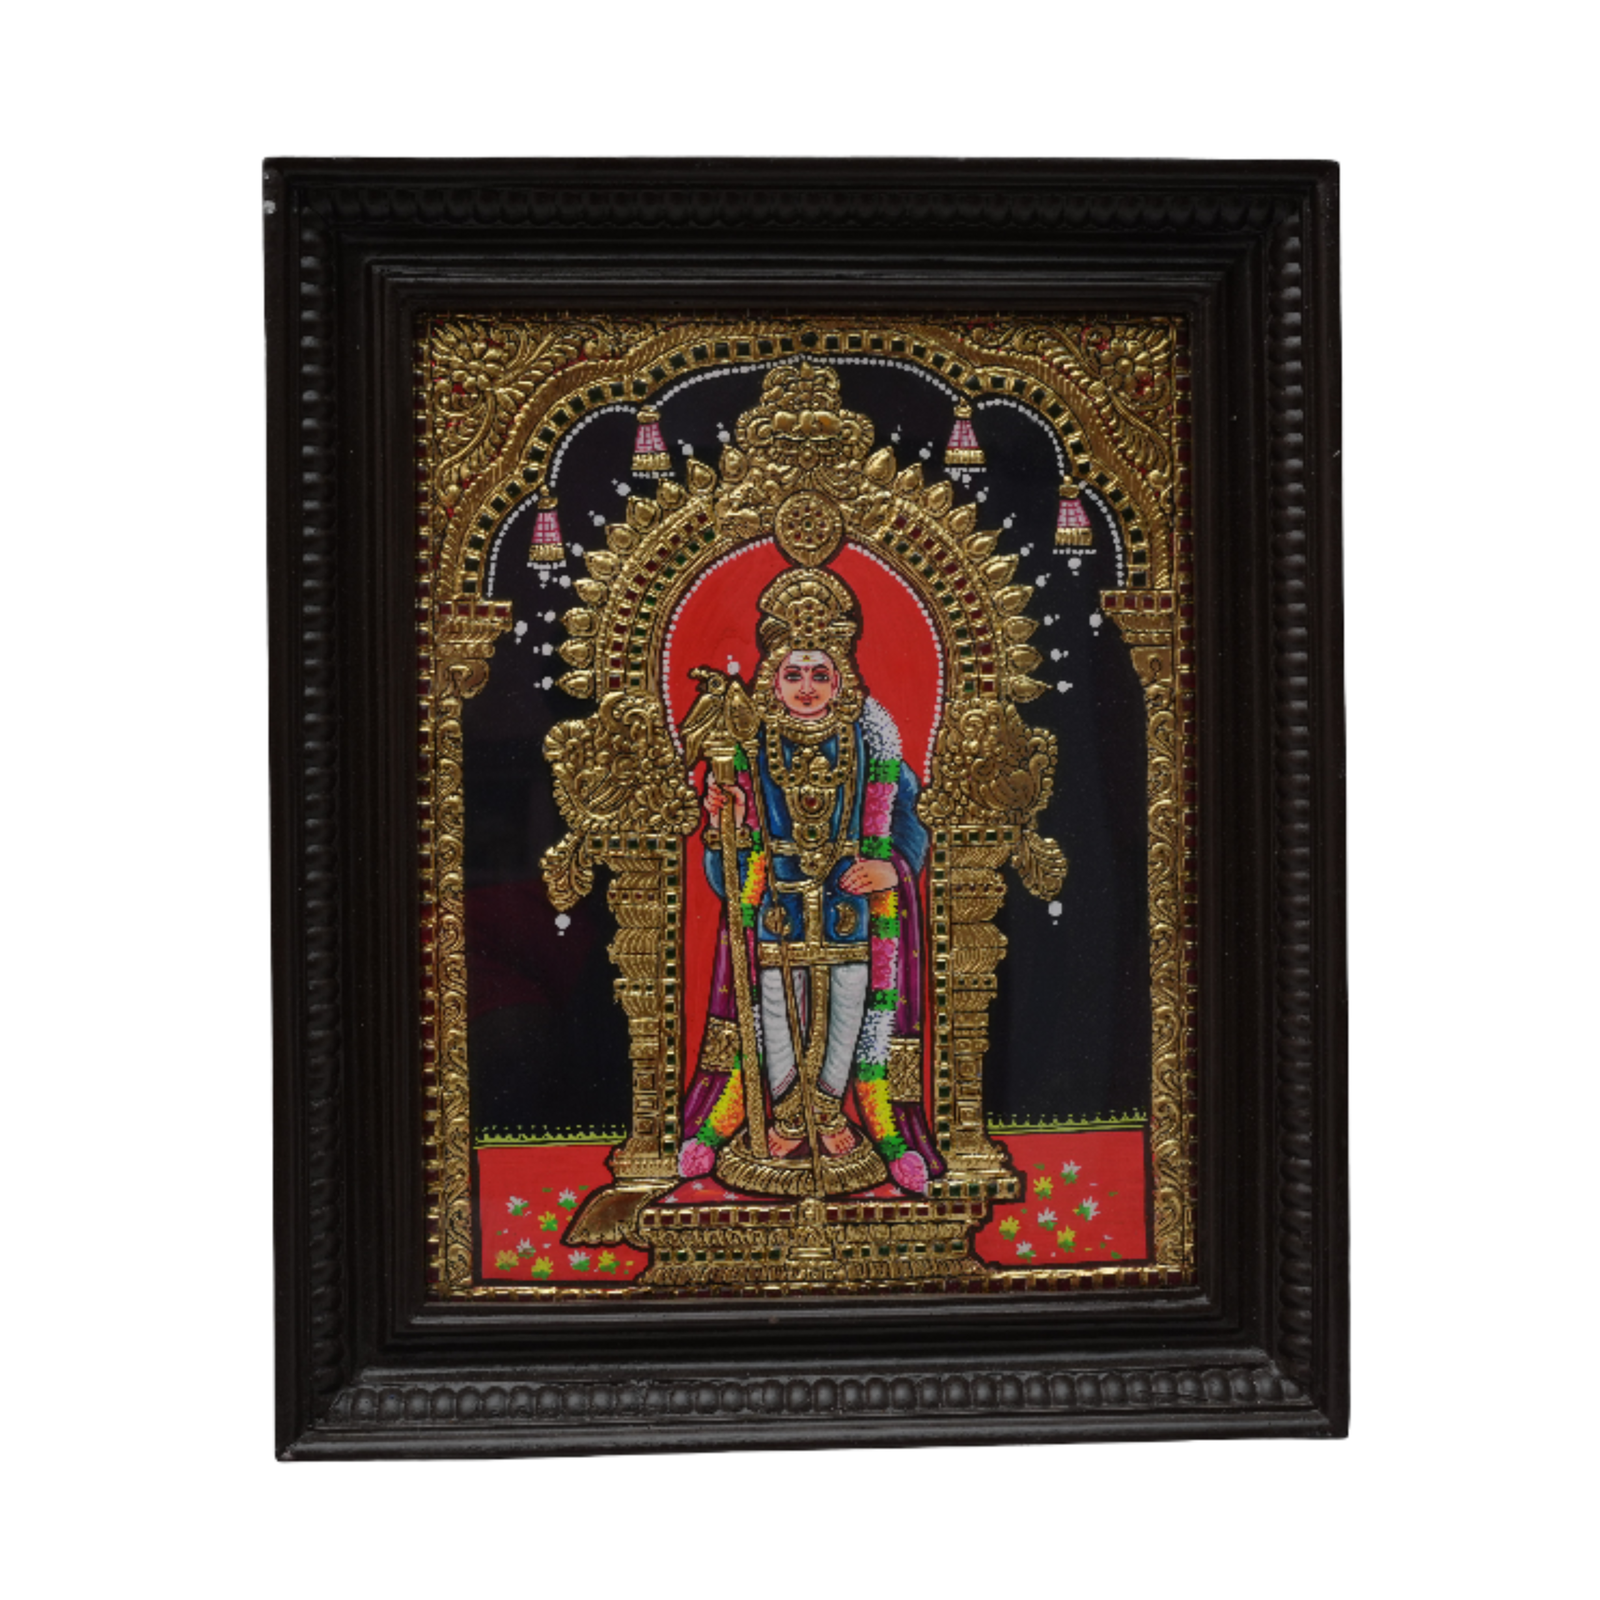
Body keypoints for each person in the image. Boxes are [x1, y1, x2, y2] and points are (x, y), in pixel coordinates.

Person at [676, 567, 942, 1196]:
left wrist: (893, 867)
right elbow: (725, 867)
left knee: (850, 1003)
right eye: (793, 674)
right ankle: (787, 1113)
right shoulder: (751, 746)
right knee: (775, 1006)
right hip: (778, 911)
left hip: (851, 912)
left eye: (820, 674)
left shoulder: (872, 746)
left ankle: (827, 1111)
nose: (806, 687)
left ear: (841, 678)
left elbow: (912, 819)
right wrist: (724, 824)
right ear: (773, 679)